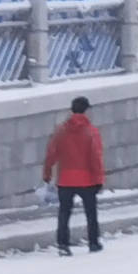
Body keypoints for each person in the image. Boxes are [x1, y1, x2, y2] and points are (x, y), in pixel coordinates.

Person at [43, 95, 105, 254]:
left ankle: (63, 244)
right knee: (91, 213)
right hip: (87, 180)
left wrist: (47, 173)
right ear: (86, 111)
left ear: (71, 110)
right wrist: (99, 179)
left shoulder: (61, 131)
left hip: (65, 179)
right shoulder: (91, 131)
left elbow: (51, 153)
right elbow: (95, 157)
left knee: (64, 213)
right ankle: (93, 242)